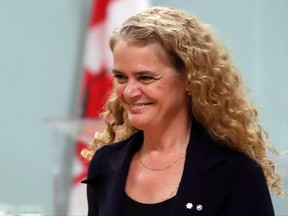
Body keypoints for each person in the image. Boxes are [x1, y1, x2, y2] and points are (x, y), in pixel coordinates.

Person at [81, 6, 282, 216]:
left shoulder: (236, 171)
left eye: (146, 78)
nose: (129, 91)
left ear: (189, 79)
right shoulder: (104, 163)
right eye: (121, 77)